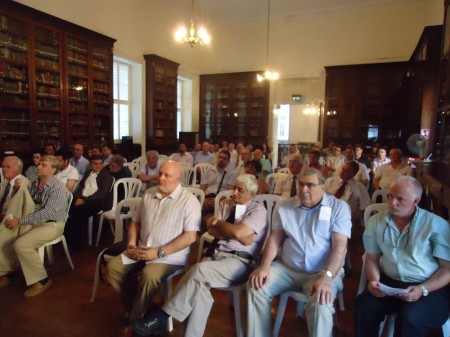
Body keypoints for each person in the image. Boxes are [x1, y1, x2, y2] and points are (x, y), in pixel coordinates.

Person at [132, 174, 268, 336]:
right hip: (215, 257)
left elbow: (235, 230)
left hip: (239, 262)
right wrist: (228, 230)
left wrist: (219, 224)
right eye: (234, 188)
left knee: (198, 270)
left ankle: (160, 317)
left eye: (240, 190)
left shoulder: (258, 210)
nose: (234, 193)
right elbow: (212, 230)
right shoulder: (226, 204)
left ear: (252, 194)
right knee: (199, 290)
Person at [246, 168, 352, 337]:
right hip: (288, 268)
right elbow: (274, 239)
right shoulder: (284, 206)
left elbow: (340, 247)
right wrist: (264, 267)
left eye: (310, 185)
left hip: (321, 272)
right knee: (256, 285)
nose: (303, 189)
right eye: (301, 184)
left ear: (323, 187)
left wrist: (327, 276)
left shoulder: (339, 208)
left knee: (321, 300)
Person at [106, 161, 201, 337]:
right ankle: (149, 312)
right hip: (142, 248)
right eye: (160, 173)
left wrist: (158, 252)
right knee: (113, 268)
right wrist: (131, 243)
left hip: (169, 256)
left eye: (167, 175)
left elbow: (190, 237)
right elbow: (135, 222)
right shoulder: (149, 194)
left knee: (149, 275)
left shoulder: (189, 201)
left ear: (178, 179)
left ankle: (134, 321)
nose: (161, 178)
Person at [355, 176, 450, 337]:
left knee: (410, 316)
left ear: (416, 201)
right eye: (390, 196)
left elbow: (447, 269)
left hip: (428, 287)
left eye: (400, 199)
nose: (392, 203)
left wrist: (423, 289)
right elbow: (372, 258)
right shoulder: (376, 221)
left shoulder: (436, 225)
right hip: (390, 284)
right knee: (364, 305)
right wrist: (374, 281)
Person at [2, 155, 69, 298]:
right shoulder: (35, 184)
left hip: (52, 225)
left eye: (43, 165)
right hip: (36, 222)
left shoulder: (58, 188)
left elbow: (47, 213)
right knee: (7, 234)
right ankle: (8, 271)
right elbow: (27, 203)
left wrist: (20, 221)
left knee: (21, 244)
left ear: (54, 170)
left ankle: (42, 280)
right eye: (39, 164)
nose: (38, 167)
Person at [64, 154, 114, 251]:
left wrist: (83, 200)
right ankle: (66, 238)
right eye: (95, 164)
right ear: (91, 164)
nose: (98, 166)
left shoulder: (106, 175)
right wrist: (78, 197)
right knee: (66, 206)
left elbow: (102, 194)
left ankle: (75, 244)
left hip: (97, 202)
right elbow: (81, 187)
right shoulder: (88, 173)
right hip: (84, 198)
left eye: (100, 164)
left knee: (77, 212)